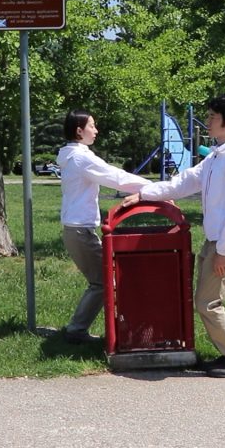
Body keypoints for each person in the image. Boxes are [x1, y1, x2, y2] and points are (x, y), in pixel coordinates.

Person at [122, 93, 225, 378]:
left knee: (208, 303)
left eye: (212, 118)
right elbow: (184, 182)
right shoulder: (218, 155)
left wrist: (224, 250)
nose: (207, 122)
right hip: (216, 239)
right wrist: (144, 194)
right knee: (205, 301)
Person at [57, 109, 151, 344]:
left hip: (76, 229)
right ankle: (77, 331)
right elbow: (115, 177)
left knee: (103, 280)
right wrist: (154, 189)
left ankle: (84, 329)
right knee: (103, 281)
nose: (96, 130)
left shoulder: (71, 155)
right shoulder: (81, 158)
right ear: (79, 131)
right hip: (80, 230)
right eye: (92, 125)